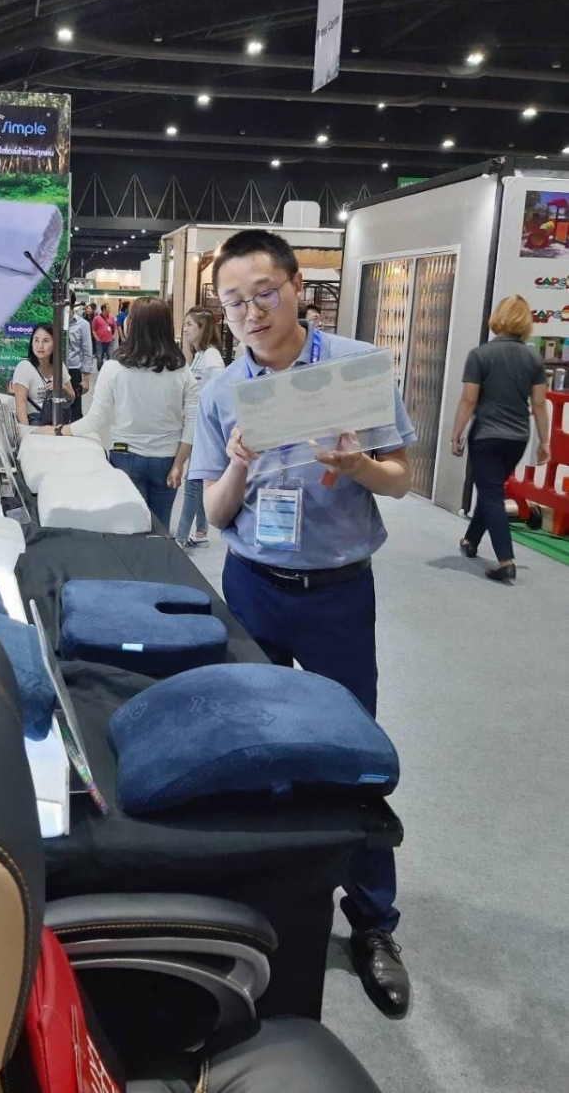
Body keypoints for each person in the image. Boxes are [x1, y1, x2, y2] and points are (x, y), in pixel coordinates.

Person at [189, 229, 416, 1019]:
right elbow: (213, 511)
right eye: (233, 302)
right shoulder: (221, 393)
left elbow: (401, 478)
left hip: (338, 594)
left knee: (353, 755)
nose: (250, 312)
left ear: (296, 289)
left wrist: (359, 467)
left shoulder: (356, 369)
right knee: (254, 745)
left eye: (263, 293)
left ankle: (374, 921)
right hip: (253, 585)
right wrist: (240, 464)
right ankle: (266, 899)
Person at [36, 296, 198, 528]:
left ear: (133, 324)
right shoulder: (182, 371)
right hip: (167, 459)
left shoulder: (114, 368)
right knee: (161, 531)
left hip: (125, 455)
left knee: (129, 528)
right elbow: (192, 422)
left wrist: (58, 430)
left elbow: (95, 419)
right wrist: (180, 463)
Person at [450, 295, 549, 583]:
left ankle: (506, 560)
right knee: (491, 489)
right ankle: (470, 540)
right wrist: (545, 442)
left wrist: (456, 434)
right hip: (518, 437)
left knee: (491, 492)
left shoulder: (480, 355)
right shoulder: (534, 358)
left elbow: (469, 400)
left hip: (487, 435)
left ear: (497, 319)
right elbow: (539, 404)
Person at [175, 308, 225, 547]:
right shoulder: (199, 355)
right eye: (184, 324)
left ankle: (180, 537)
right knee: (198, 478)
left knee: (193, 482)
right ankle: (201, 530)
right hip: (197, 427)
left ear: (203, 328)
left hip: (206, 430)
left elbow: (220, 393)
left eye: (190, 325)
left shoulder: (211, 356)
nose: (185, 329)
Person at [12, 323, 75, 426]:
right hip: (35, 425)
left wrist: (63, 388)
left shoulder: (59, 366)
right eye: (36, 340)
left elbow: (72, 398)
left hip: (58, 425)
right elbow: (20, 403)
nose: (40, 346)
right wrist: (26, 431)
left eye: (45, 341)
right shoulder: (24, 367)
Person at [66, 296, 93, 423]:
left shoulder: (83, 325)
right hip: (53, 370)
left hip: (73, 372)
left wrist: (86, 379)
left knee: (75, 410)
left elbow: (87, 352)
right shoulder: (53, 322)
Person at [91, 303, 114, 367]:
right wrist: (97, 339)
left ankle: (109, 371)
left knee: (110, 359)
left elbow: (114, 327)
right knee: (99, 359)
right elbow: (93, 330)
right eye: (108, 308)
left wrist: (112, 337)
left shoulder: (111, 317)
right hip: (100, 342)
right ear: (104, 309)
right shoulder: (96, 318)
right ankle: (100, 371)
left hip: (109, 342)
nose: (109, 309)